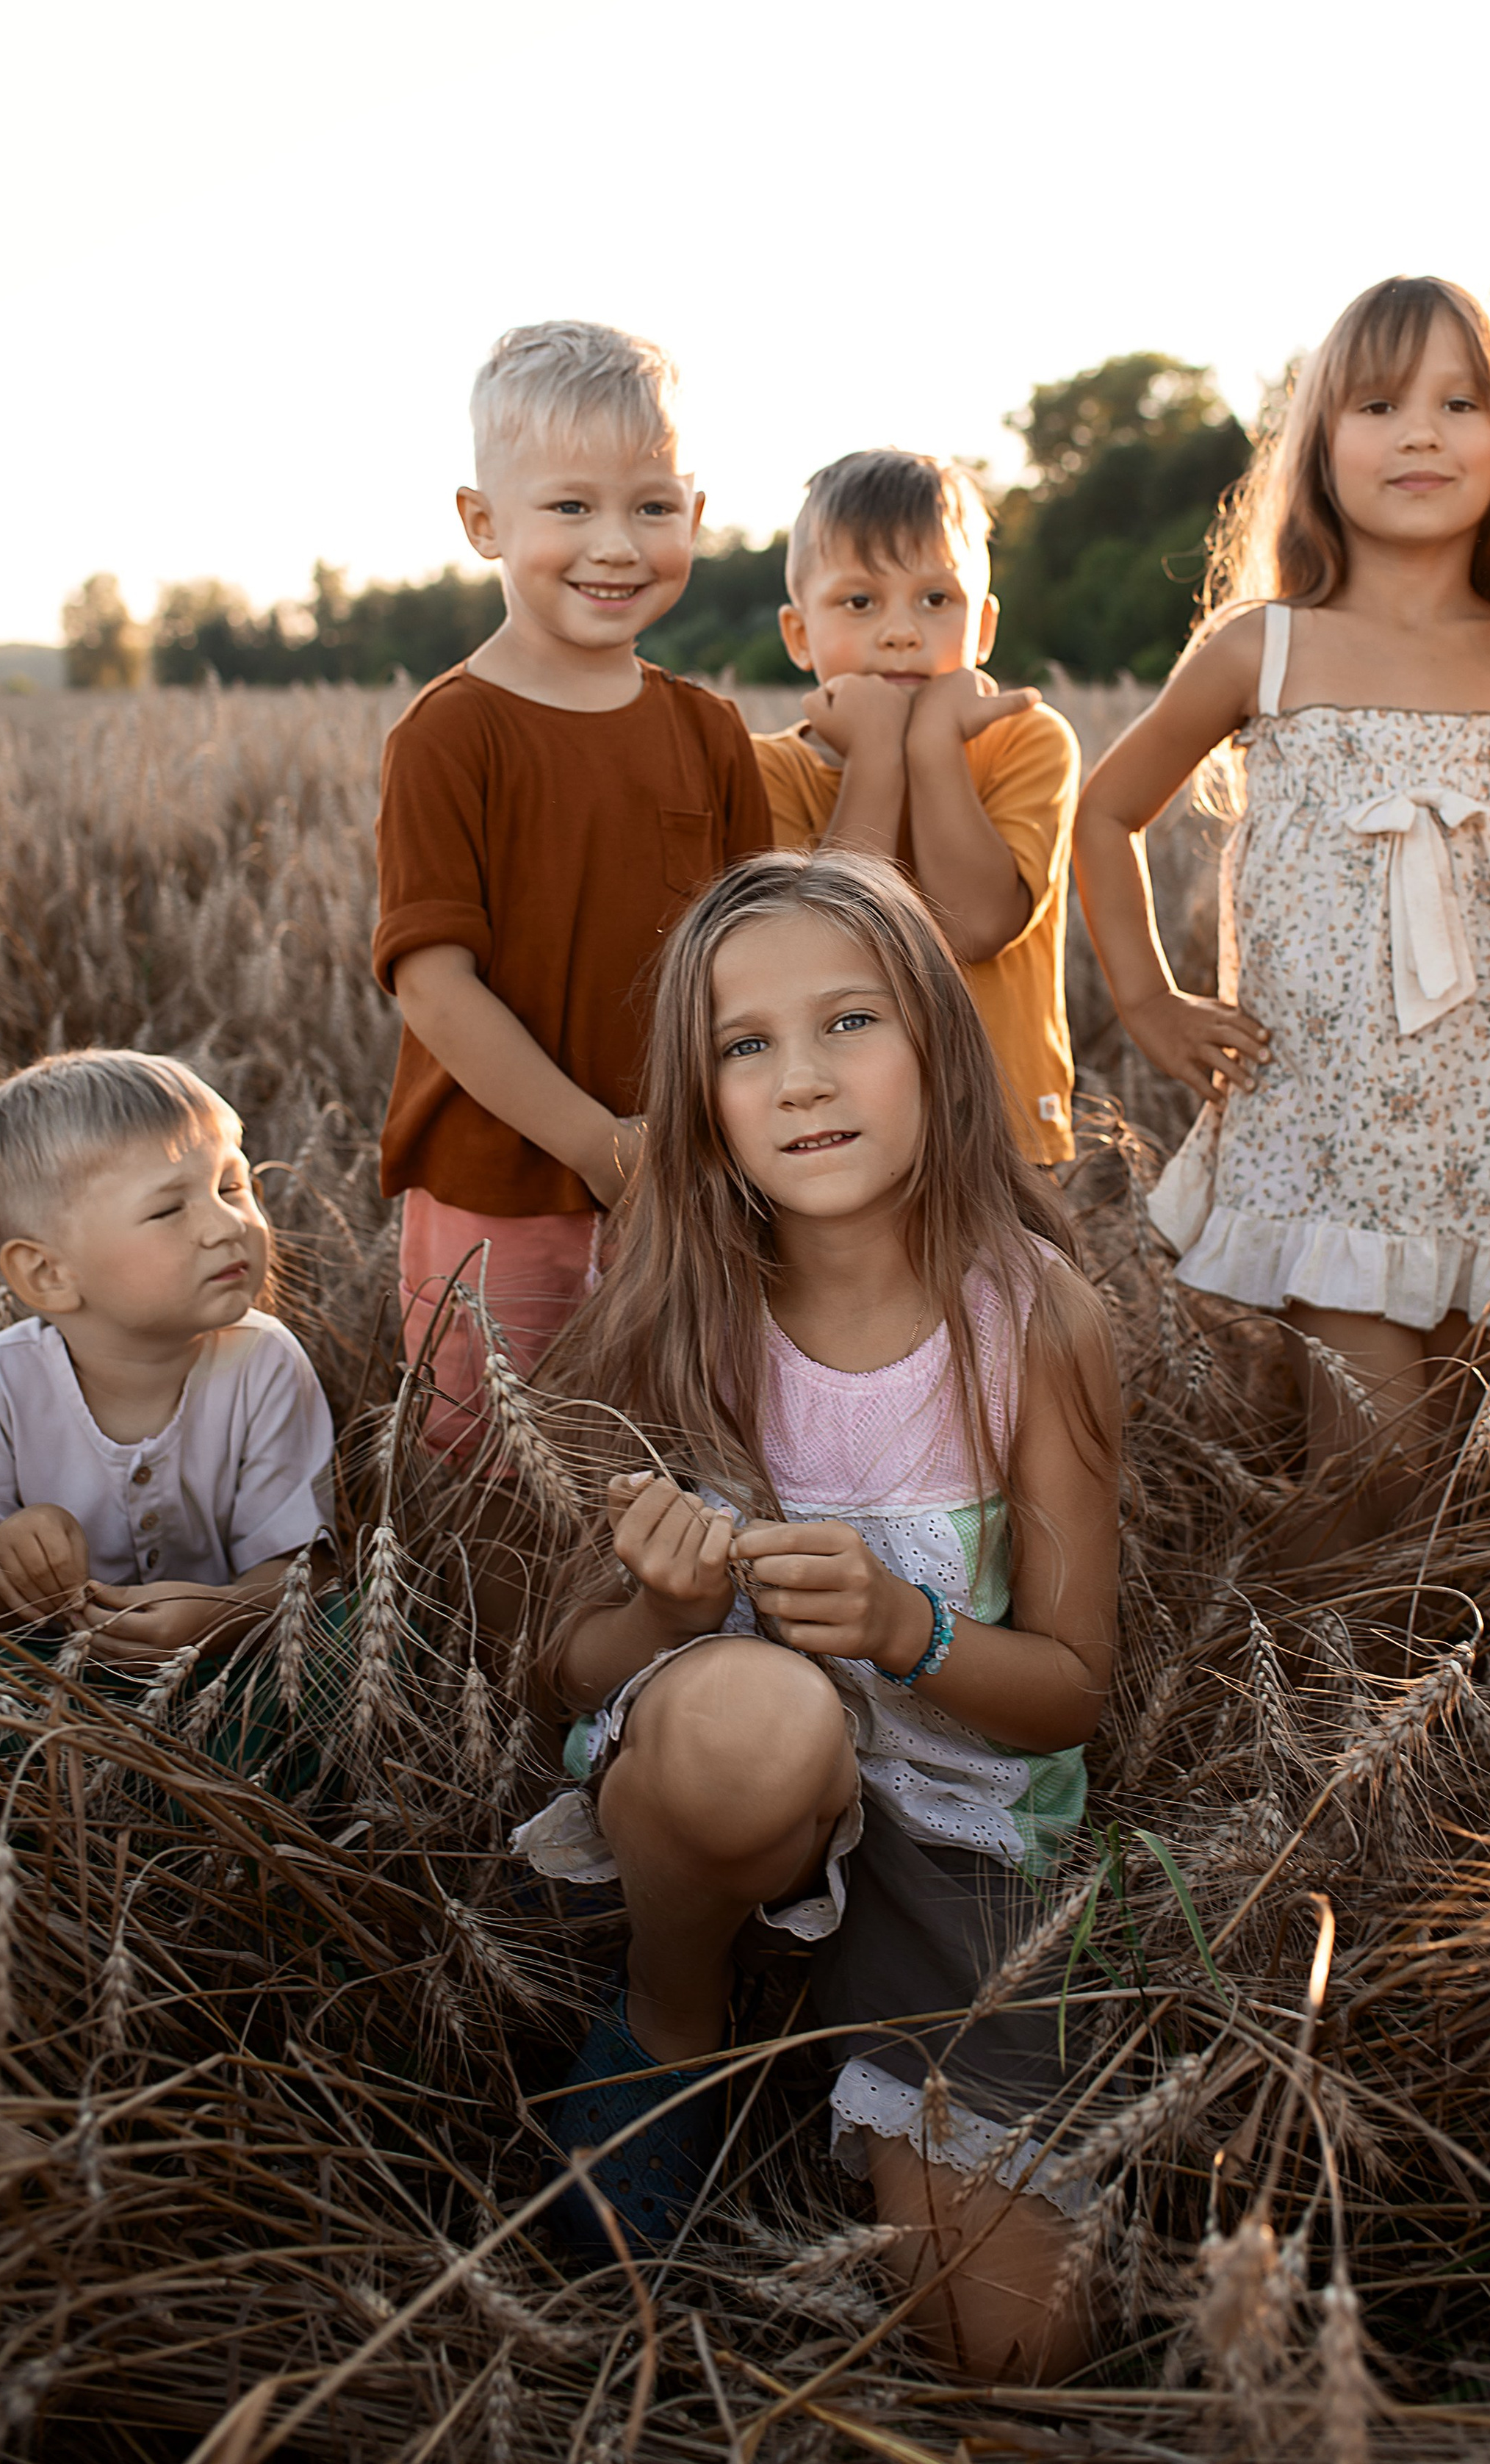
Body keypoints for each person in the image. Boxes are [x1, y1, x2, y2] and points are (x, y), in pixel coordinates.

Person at [517, 851, 1122, 2383]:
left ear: (937, 1039)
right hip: (726, 1783)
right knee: (755, 1710)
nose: (801, 1079)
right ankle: (672, 2018)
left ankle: (865, 2021)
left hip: (952, 1829)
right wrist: (669, 1613)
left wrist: (910, 1630)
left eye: (849, 1021)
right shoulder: (671, 1311)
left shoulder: (1034, 1319)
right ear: (701, 1098)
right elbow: (561, 1673)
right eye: (746, 1044)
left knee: (1017, 2349)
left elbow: (1070, 1689)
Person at [1073, 276, 1490, 1558]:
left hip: (1477, 1133)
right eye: (1378, 404)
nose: (1421, 431)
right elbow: (1105, 813)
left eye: (1459, 403)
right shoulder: (1264, 648)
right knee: (1382, 1460)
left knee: (1442, 1475)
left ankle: (1347, 1648)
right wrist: (1145, 998)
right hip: (1318, 1122)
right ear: (1320, 443)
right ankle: (1268, 1652)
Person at [374, 321, 772, 1461]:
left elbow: (758, 958)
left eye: (652, 507)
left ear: (695, 512)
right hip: (498, 1183)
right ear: (482, 522)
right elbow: (434, 984)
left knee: (681, 1453)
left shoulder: (709, 730)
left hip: (694, 1178)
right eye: (569, 506)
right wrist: (601, 1146)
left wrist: (697, 1146)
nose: (616, 544)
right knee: (497, 1471)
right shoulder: (452, 733)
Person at [0, 1050, 334, 1664]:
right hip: (41, 1690)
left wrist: (224, 1616)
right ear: (48, 1273)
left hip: (229, 1676)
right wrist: (4, 1559)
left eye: (231, 1186)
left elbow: (307, 1574)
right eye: (168, 1208)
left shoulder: (265, 1362)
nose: (227, 1225)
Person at [752, 450, 1080, 1169]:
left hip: (1002, 1134)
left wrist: (931, 748)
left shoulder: (1029, 741)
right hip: (834, 1137)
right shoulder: (768, 769)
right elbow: (824, 951)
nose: (901, 631)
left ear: (983, 626)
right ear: (799, 634)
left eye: (936, 599)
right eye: (859, 602)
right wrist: (876, 756)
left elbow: (974, 925)